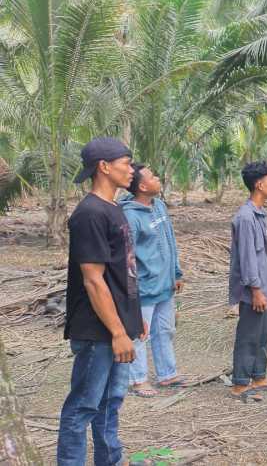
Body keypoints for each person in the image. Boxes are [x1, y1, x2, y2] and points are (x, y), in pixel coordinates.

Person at [58, 137, 146, 466]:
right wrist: (118, 332)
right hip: (98, 332)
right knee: (82, 407)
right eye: (126, 163)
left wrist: (133, 319)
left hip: (116, 326)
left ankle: (109, 460)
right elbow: (93, 279)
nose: (132, 170)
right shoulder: (90, 214)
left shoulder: (113, 208)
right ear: (104, 167)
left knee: (111, 403)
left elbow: (121, 271)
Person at [120, 164, 185, 398]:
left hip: (165, 285)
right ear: (142, 186)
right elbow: (128, 258)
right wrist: (132, 290)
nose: (158, 178)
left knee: (165, 330)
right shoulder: (129, 215)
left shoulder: (158, 206)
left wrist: (176, 273)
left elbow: (170, 240)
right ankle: (138, 380)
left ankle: (167, 373)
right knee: (140, 334)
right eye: (153, 176)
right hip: (144, 288)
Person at [228, 161, 267, 401]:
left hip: (265, 288)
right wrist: (256, 290)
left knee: (263, 334)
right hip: (254, 290)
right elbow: (247, 258)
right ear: (259, 185)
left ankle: (259, 375)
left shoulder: (260, 214)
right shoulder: (246, 218)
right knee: (249, 335)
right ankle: (240, 381)